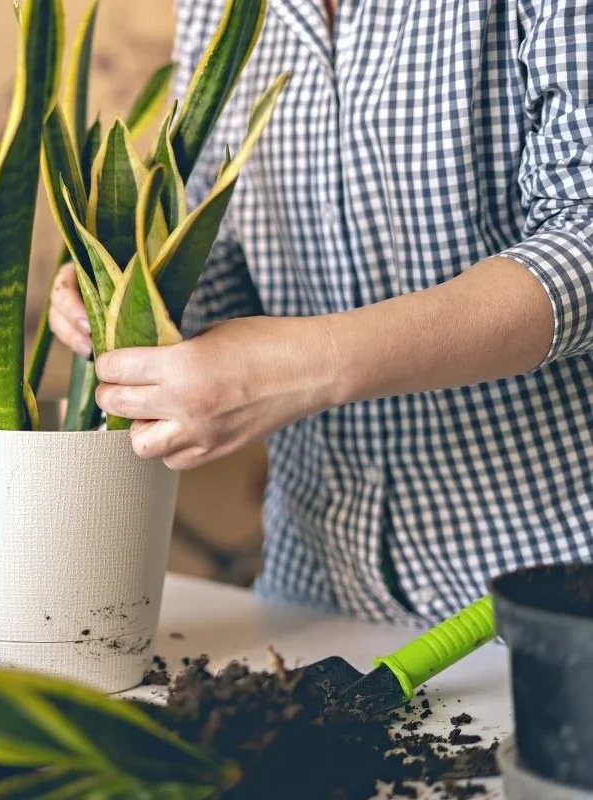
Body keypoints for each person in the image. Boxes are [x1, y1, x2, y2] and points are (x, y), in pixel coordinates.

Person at [49, 0, 593, 624]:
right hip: (311, 579)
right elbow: (219, 242)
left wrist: (296, 367)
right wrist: (131, 296)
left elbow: (585, 238)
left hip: (549, 582)